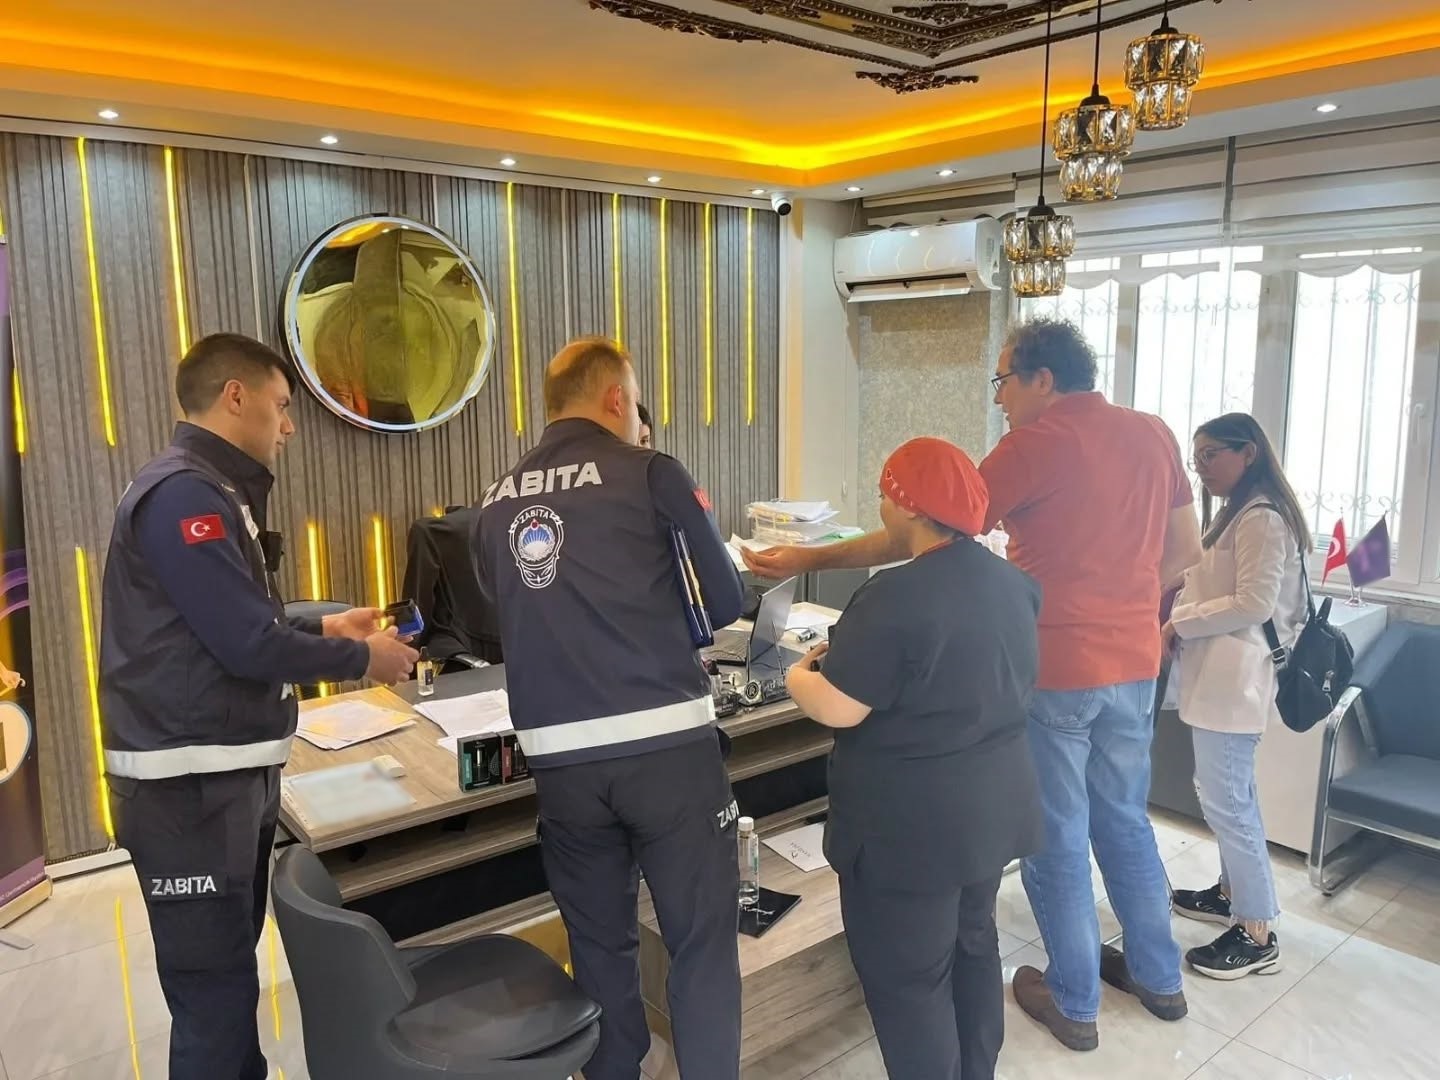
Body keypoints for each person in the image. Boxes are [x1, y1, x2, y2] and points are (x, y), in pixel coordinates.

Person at [744, 319, 1202, 1051]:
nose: (999, 400)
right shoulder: (1154, 433)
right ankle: (1159, 977)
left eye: (1003, 380)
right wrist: (1126, 603)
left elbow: (931, 529)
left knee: (1056, 834)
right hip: (1137, 663)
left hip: (1059, 665)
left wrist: (806, 556)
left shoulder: (1039, 443)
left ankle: (1076, 1001)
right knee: (1124, 819)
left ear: (1042, 379)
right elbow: (1185, 550)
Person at [99, 333, 419, 1080]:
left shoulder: (214, 489)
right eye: (280, 405)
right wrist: (360, 660)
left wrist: (326, 631)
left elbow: (226, 626)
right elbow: (245, 644)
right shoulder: (185, 494)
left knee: (228, 980)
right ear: (234, 396)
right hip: (188, 791)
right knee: (213, 999)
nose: (288, 425)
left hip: (221, 780)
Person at [473, 336, 746, 1080]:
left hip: (561, 765)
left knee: (598, 948)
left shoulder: (495, 500)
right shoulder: (650, 470)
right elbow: (726, 599)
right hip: (668, 753)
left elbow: (502, 612)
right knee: (701, 945)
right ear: (617, 398)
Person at [785, 437, 1042, 1080]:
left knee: (911, 981)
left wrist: (797, 677)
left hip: (909, 835)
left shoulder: (894, 595)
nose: (880, 508)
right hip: (990, 815)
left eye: (883, 495)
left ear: (907, 506)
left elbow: (840, 707)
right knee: (974, 947)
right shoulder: (1013, 584)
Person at [1163, 413, 1308, 979]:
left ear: (1248, 453)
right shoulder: (1238, 512)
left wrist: (1179, 621)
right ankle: (1230, 893)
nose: (1201, 468)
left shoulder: (1263, 517)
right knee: (1224, 793)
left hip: (1238, 680)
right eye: (1195, 458)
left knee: (1229, 801)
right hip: (1220, 677)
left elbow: (1254, 603)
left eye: (1211, 456)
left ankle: (1257, 930)